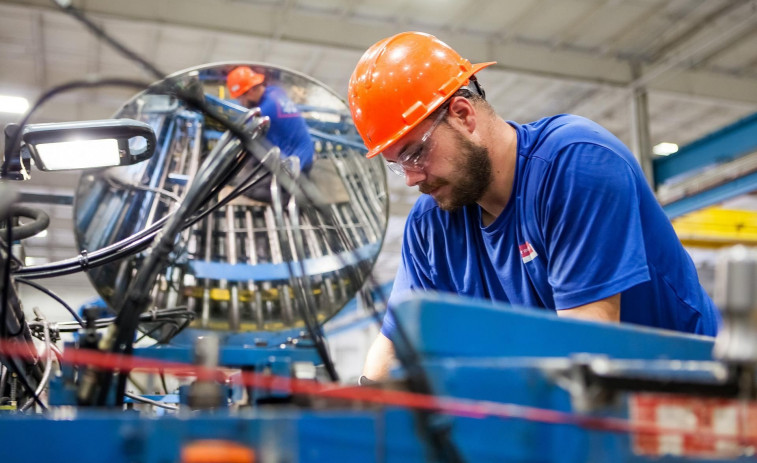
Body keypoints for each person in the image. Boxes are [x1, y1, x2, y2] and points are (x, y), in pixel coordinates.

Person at [347, 31, 721, 381]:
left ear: (463, 115)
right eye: (398, 164)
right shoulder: (431, 225)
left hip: (691, 402)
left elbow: (586, 350)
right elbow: (395, 346)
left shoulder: (575, 164)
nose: (412, 178)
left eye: (415, 152)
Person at [226, 66, 314, 201]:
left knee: (244, 187)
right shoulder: (275, 92)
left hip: (295, 165)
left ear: (249, 92)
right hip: (306, 153)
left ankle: (293, 198)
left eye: (240, 98)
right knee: (254, 161)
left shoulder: (264, 113)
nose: (240, 102)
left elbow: (248, 141)